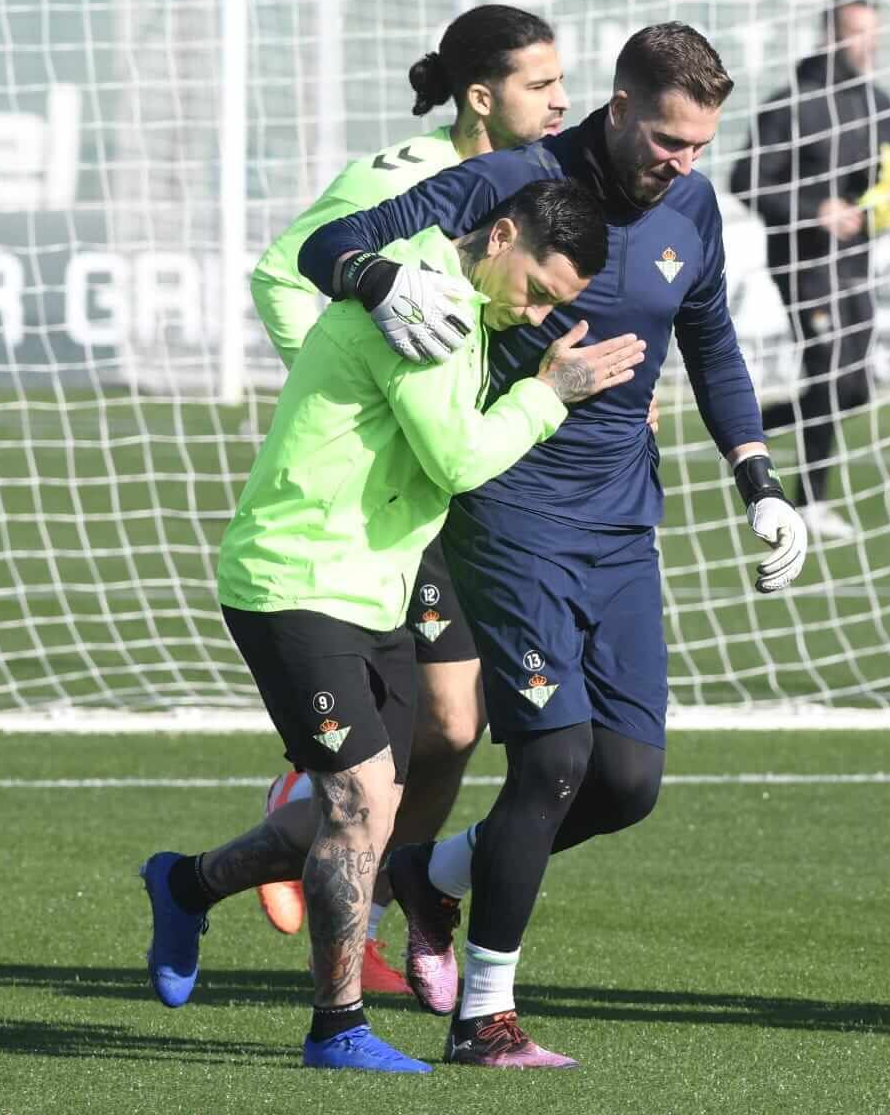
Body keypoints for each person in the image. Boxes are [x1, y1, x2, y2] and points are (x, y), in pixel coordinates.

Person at [299, 22, 810, 1067]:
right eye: (668, 139)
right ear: (617, 107)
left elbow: (709, 343)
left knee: (625, 781)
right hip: (506, 508)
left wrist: (758, 476)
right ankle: (483, 1016)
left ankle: (431, 875)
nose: (682, 162)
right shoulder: (509, 181)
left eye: (700, 145)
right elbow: (324, 248)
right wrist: (376, 280)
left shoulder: (693, 206)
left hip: (622, 526)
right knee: (555, 758)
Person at [138, 179, 646, 1074]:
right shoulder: (427, 310)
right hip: (296, 577)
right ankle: (338, 1031)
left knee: (377, 812)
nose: (535, 312)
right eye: (536, 288)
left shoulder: (458, 297)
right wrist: (552, 394)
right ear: (500, 236)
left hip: (376, 586)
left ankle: (187, 884)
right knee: (360, 803)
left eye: (555, 306)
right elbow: (456, 460)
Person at [246, 5, 571, 991]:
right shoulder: (398, 180)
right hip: (406, 476)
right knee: (425, 725)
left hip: (469, 470)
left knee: (456, 728)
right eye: (539, 84)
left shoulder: (547, 185)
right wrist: (350, 380)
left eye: (564, 82)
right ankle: (320, 825)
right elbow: (283, 270)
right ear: (482, 97)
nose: (561, 99)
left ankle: (357, 896)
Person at [729, 0, 890, 540]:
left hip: (855, 261)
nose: (867, 43)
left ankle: (742, 430)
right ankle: (809, 502)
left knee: (853, 388)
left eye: (872, 32)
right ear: (829, 35)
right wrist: (815, 211)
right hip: (803, 264)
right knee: (827, 374)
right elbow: (746, 181)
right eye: (856, 32)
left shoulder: (882, 105)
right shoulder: (794, 104)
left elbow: (884, 180)